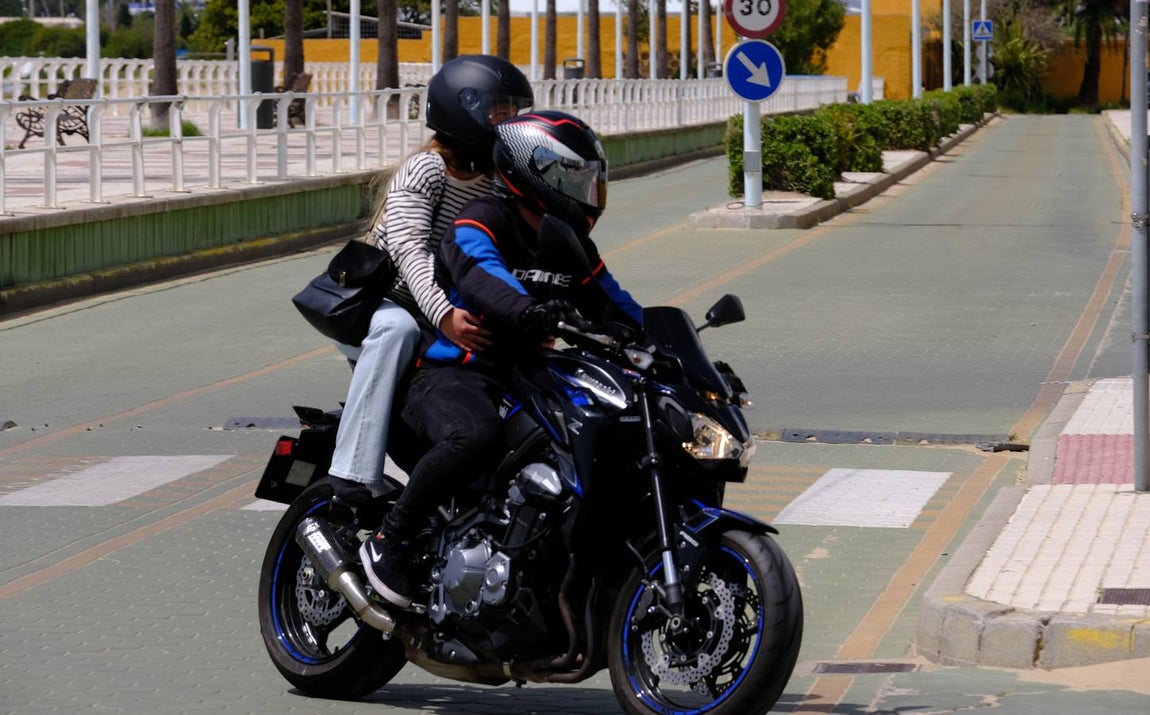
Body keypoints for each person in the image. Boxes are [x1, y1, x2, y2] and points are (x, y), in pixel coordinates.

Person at [359, 110, 643, 608]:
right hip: (455, 372)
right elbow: (482, 278)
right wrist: (531, 311)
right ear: (535, 171)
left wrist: (665, 343)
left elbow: (611, 299)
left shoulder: (570, 243)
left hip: (526, 376)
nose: (586, 190)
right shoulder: (483, 220)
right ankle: (391, 540)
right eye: (574, 177)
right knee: (476, 434)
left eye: (589, 178)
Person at [326, 55, 534, 521]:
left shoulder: (496, 179)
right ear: (463, 108)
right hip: (385, 303)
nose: (508, 119)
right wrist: (442, 314)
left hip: (442, 309)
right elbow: (409, 251)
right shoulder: (427, 170)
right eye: (498, 109)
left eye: (514, 109)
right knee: (397, 330)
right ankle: (353, 473)